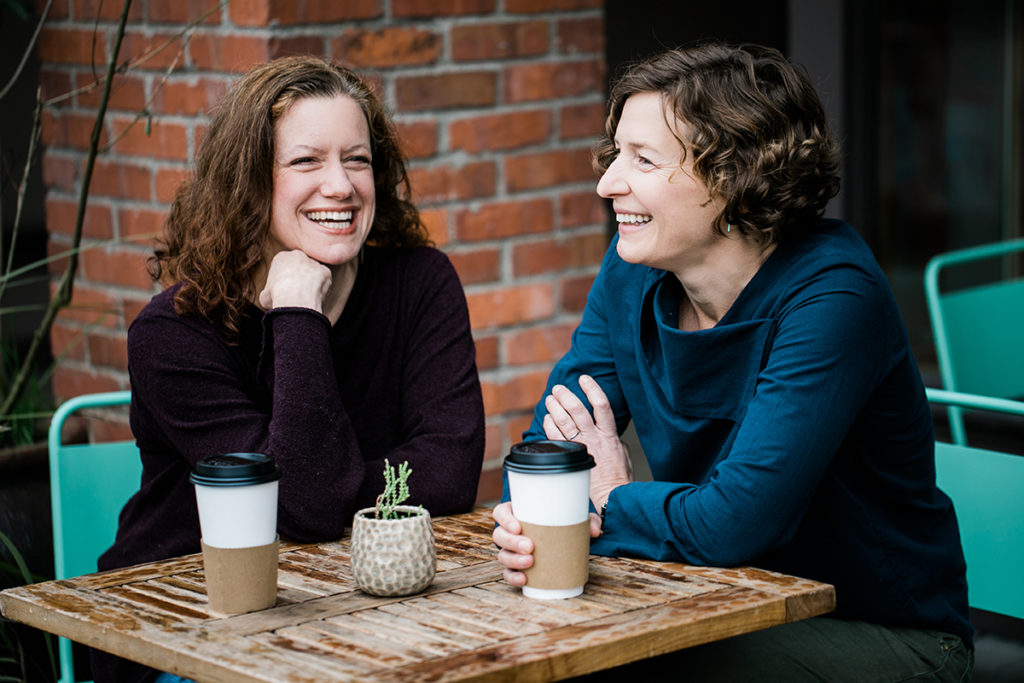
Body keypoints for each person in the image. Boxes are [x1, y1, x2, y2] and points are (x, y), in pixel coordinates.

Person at [492, 43, 973, 681]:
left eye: (642, 159)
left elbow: (734, 525)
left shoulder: (833, 296)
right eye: (615, 155)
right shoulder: (634, 269)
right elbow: (554, 441)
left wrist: (611, 495)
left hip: (880, 632)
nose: (608, 183)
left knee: (618, 665)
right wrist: (529, 521)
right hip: (717, 595)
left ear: (733, 177)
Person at [92, 55, 485, 683]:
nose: (341, 185)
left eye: (357, 159)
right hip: (183, 622)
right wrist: (299, 313)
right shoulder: (173, 334)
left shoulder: (421, 283)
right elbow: (310, 504)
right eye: (307, 161)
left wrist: (331, 492)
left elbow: (451, 472)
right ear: (248, 181)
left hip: (361, 610)